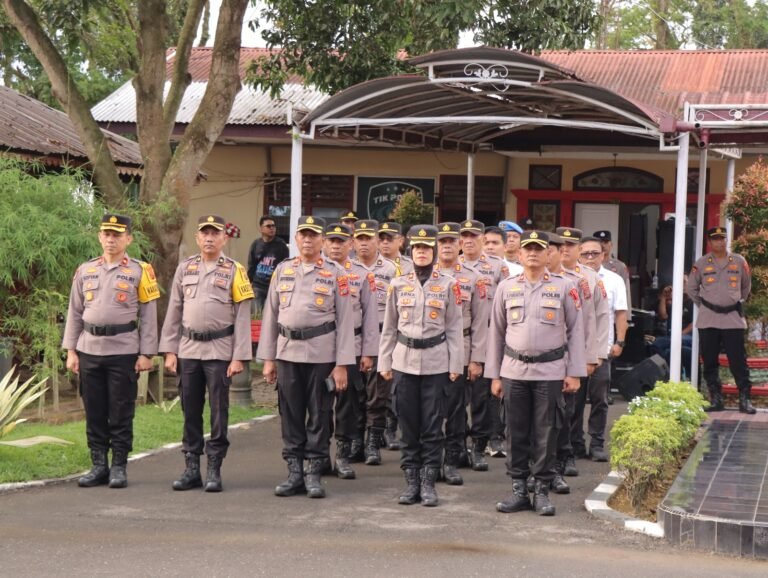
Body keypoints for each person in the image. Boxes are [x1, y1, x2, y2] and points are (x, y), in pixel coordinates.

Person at [486, 231, 586, 516]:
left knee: (547, 431)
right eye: (527, 248)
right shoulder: (506, 288)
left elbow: (577, 331)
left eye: (538, 249)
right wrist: (494, 376)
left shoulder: (565, 287)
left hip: (551, 371)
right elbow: (496, 333)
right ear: (519, 254)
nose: (532, 253)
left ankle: (541, 489)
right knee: (515, 431)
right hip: (514, 370)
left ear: (548, 254)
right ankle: (519, 489)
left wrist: (575, 371)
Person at [258, 216, 355, 499]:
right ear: (296, 239)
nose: (309, 240)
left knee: (319, 414)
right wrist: (268, 358)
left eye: (314, 235)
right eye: (304, 235)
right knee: (290, 413)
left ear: (322, 240)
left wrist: (341, 365)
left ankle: (314, 472)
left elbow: (346, 322)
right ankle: (294, 472)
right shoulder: (283, 270)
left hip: (321, 353)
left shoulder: (336, 273)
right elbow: (270, 316)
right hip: (287, 352)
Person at [62, 214, 159, 489]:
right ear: (99, 236)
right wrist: (71, 350)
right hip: (89, 349)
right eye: (106, 233)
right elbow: (74, 312)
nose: (111, 239)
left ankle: (118, 466)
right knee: (94, 409)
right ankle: (98, 465)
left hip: (123, 350)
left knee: (120, 410)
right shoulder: (85, 270)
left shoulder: (141, 271)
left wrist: (146, 353)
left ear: (128, 238)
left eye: (117, 234)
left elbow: (149, 316)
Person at [159, 215, 253, 492]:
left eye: (215, 233)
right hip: (188, 349)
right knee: (190, 410)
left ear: (224, 238)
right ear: (198, 238)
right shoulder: (184, 268)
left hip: (219, 350)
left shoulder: (236, 270)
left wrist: (239, 356)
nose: (210, 238)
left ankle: (214, 467)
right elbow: (174, 310)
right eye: (205, 233)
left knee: (218, 412)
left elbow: (243, 316)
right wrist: (169, 350)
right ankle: (191, 467)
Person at [379, 225, 464, 506]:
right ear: (411, 251)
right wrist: (385, 361)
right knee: (408, 424)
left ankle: (428, 483)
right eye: (418, 248)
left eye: (427, 248)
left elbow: (454, 328)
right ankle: (411, 481)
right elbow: (389, 328)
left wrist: (456, 364)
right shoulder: (398, 283)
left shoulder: (449, 284)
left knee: (432, 425)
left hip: (436, 363)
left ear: (434, 251)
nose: (422, 253)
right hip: (404, 361)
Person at [435, 222, 490, 485]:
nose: (446, 246)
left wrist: (477, 358)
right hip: (430, 350)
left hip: (463, 347)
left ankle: (453, 458)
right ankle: (432, 458)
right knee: (432, 409)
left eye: (450, 241)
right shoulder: (421, 274)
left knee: (457, 408)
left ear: (459, 245)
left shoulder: (474, 278)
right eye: (441, 241)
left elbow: (481, 321)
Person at [323, 222, 378, 479]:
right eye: (332, 241)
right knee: (320, 405)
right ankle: (321, 454)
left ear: (351, 244)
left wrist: (369, 352)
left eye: (341, 241)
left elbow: (370, 316)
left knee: (348, 405)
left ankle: (343, 456)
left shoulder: (363, 274)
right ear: (325, 243)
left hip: (353, 349)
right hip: (319, 348)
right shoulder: (316, 270)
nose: (336, 246)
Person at [543, 231, 593, 494]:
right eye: (548, 249)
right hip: (537, 363)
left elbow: (585, 324)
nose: (553, 253)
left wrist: (586, 359)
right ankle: (539, 469)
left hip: (565, 358)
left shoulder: (575, 282)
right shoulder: (522, 281)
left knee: (564, 415)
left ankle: (562, 462)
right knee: (540, 419)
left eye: (554, 249)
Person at [557, 227, 610, 475]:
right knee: (562, 407)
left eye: (570, 245)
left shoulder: (589, 278)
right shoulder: (546, 274)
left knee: (580, 402)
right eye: (561, 244)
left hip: (582, 351)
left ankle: (572, 450)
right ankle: (568, 447)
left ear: (579, 249)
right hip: (554, 353)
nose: (565, 249)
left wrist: (594, 355)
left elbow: (598, 318)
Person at [687, 226, 754, 413]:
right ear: (710, 242)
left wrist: (734, 300)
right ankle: (716, 398)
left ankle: (745, 399)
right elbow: (691, 289)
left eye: (722, 238)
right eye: (715, 239)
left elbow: (746, 286)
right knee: (709, 360)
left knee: (738, 360)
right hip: (708, 318)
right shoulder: (701, 263)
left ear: (726, 241)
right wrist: (706, 305)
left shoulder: (739, 261)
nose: (719, 242)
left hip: (732, 317)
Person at [459, 219, 509, 462]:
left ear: (481, 239)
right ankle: (459, 444)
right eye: (464, 236)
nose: (469, 240)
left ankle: (480, 444)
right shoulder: (449, 266)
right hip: (457, 338)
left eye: (473, 235)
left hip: (488, 337)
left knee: (482, 394)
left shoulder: (498, 266)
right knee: (457, 396)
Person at [577, 236, 628, 462]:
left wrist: (620, 342)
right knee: (573, 401)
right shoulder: (570, 278)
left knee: (600, 399)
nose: (589, 258)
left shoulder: (614, 280)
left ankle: (596, 443)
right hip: (575, 352)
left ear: (603, 256)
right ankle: (574, 443)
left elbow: (620, 313)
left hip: (602, 351)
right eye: (585, 253)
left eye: (594, 254)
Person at [354, 219, 400, 465]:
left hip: (382, 337)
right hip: (355, 337)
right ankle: (355, 442)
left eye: (368, 239)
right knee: (354, 395)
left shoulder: (392, 270)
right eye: (359, 239)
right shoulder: (346, 270)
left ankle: (373, 443)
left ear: (377, 242)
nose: (364, 244)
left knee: (378, 394)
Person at [649, 279, 693, 379]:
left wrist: (680, 334)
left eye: (684, 282)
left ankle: (667, 374)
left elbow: (694, 324)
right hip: (672, 337)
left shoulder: (691, 302)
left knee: (658, 343)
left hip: (687, 337)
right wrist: (664, 297)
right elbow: (663, 316)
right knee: (663, 349)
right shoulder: (675, 302)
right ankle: (668, 374)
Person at [247, 215, 289, 315]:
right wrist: (249, 283)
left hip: (274, 286)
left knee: (273, 315)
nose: (272, 228)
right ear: (261, 229)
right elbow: (251, 265)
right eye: (268, 226)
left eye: (273, 226)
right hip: (258, 286)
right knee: (256, 315)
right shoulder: (256, 244)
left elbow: (285, 266)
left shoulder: (281, 245)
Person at [594, 230, 632, 318]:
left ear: (611, 245)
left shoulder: (620, 266)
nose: (603, 245)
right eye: (600, 242)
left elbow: (626, 292)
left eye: (606, 242)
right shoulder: (587, 265)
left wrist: (627, 317)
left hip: (613, 315)